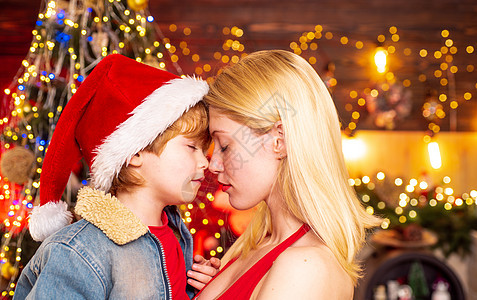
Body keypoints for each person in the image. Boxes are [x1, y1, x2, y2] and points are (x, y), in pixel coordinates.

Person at [14, 54, 219, 299]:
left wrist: (200, 292)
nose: (205, 162)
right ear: (135, 152)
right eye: (191, 147)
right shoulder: (77, 252)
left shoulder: (175, 234)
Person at [194, 50, 380, 299]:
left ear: (279, 140)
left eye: (225, 146)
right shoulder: (251, 248)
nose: (213, 165)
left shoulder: (306, 266)